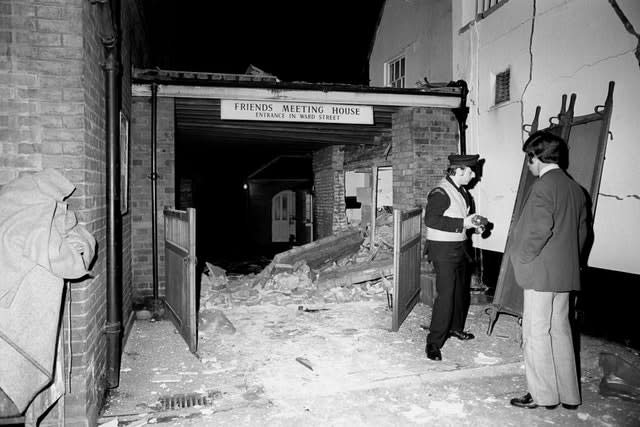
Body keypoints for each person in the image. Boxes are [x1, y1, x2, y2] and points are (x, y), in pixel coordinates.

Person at [508, 131, 588, 410]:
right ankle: (569, 395)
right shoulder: (575, 189)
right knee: (560, 331)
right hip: (564, 273)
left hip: (540, 272)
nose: (528, 166)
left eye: (528, 159)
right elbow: (582, 234)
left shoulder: (544, 186)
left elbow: (540, 229)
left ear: (536, 157)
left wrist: (525, 258)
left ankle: (543, 395)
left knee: (536, 332)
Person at [424, 153, 485, 361]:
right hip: (443, 250)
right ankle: (434, 342)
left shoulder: (464, 192)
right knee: (446, 295)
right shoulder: (441, 192)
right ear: (458, 171)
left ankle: (455, 328)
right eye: (470, 170)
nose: (473, 174)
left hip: (460, 247)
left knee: (461, 292)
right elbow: (431, 220)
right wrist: (463, 224)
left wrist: (474, 227)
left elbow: (462, 218)